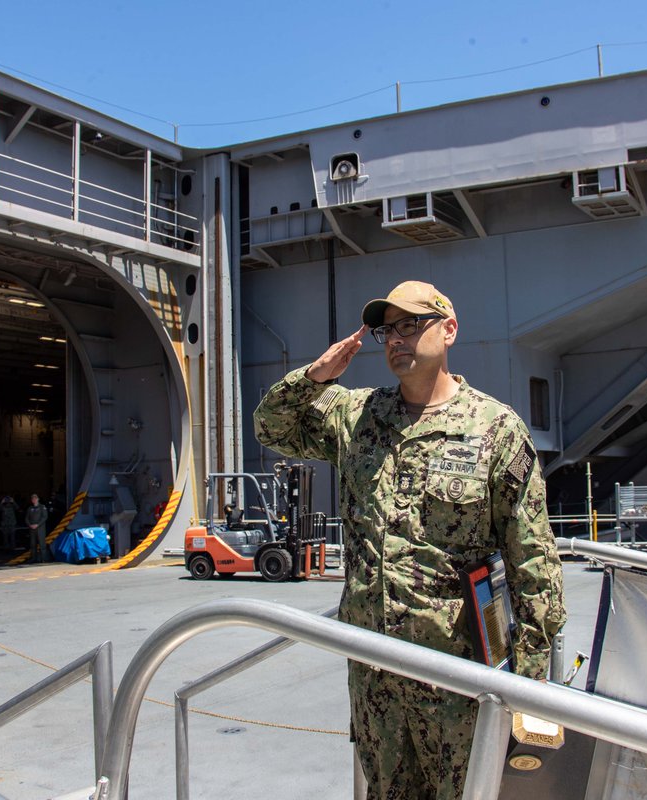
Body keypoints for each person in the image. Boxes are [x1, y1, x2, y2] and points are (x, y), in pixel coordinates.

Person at [254, 280, 566, 800]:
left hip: (461, 677)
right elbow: (271, 427)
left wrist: (530, 687)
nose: (395, 339)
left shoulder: (495, 428)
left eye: (409, 324)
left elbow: (532, 556)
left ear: (448, 330)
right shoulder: (355, 416)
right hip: (375, 670)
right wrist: (315, 376)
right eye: (385, 329)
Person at [25, 493, 50, 562]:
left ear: (38, 499)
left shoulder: (42, 507)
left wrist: (37, 524)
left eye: (35, 498)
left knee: (42, 544)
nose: (34, 500)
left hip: (40, 529)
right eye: (33, 498)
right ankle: (33, 558)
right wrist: (30, 525)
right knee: (33, 545)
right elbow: (27, 518)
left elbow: (45, 517)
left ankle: (44, 558)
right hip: (32, 529)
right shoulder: (30, 508)